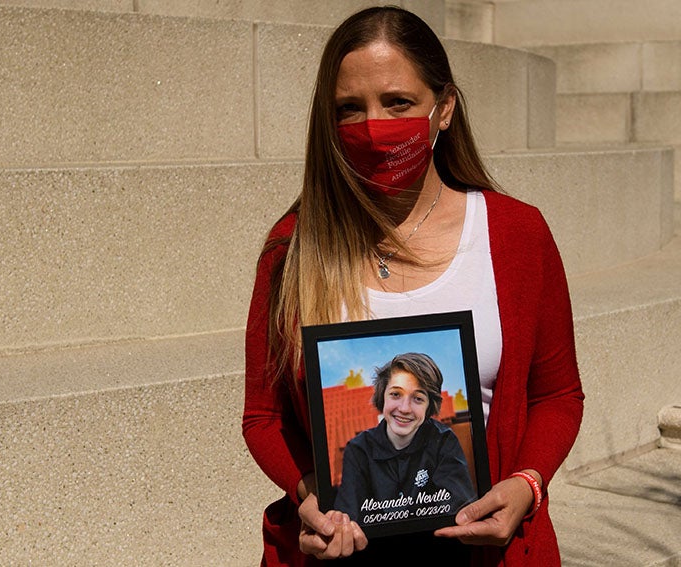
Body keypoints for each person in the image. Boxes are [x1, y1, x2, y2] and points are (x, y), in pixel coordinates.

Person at [241, 6, 584, 566]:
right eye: (350, 109)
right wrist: (308, 495)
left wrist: (525, 484)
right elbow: (264, 417)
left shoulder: (517, 234)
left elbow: (557, 395)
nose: (374, 127)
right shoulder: (293, 249)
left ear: (443, 109)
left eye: (397, 102)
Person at [333, 353, 476, 527]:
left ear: (429, 406)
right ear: (382, 396)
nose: (405, 408)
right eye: (395, 394)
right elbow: (349, 522)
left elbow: (459, 511)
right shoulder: (358, 449)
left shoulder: (444, 441)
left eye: (418, 398)